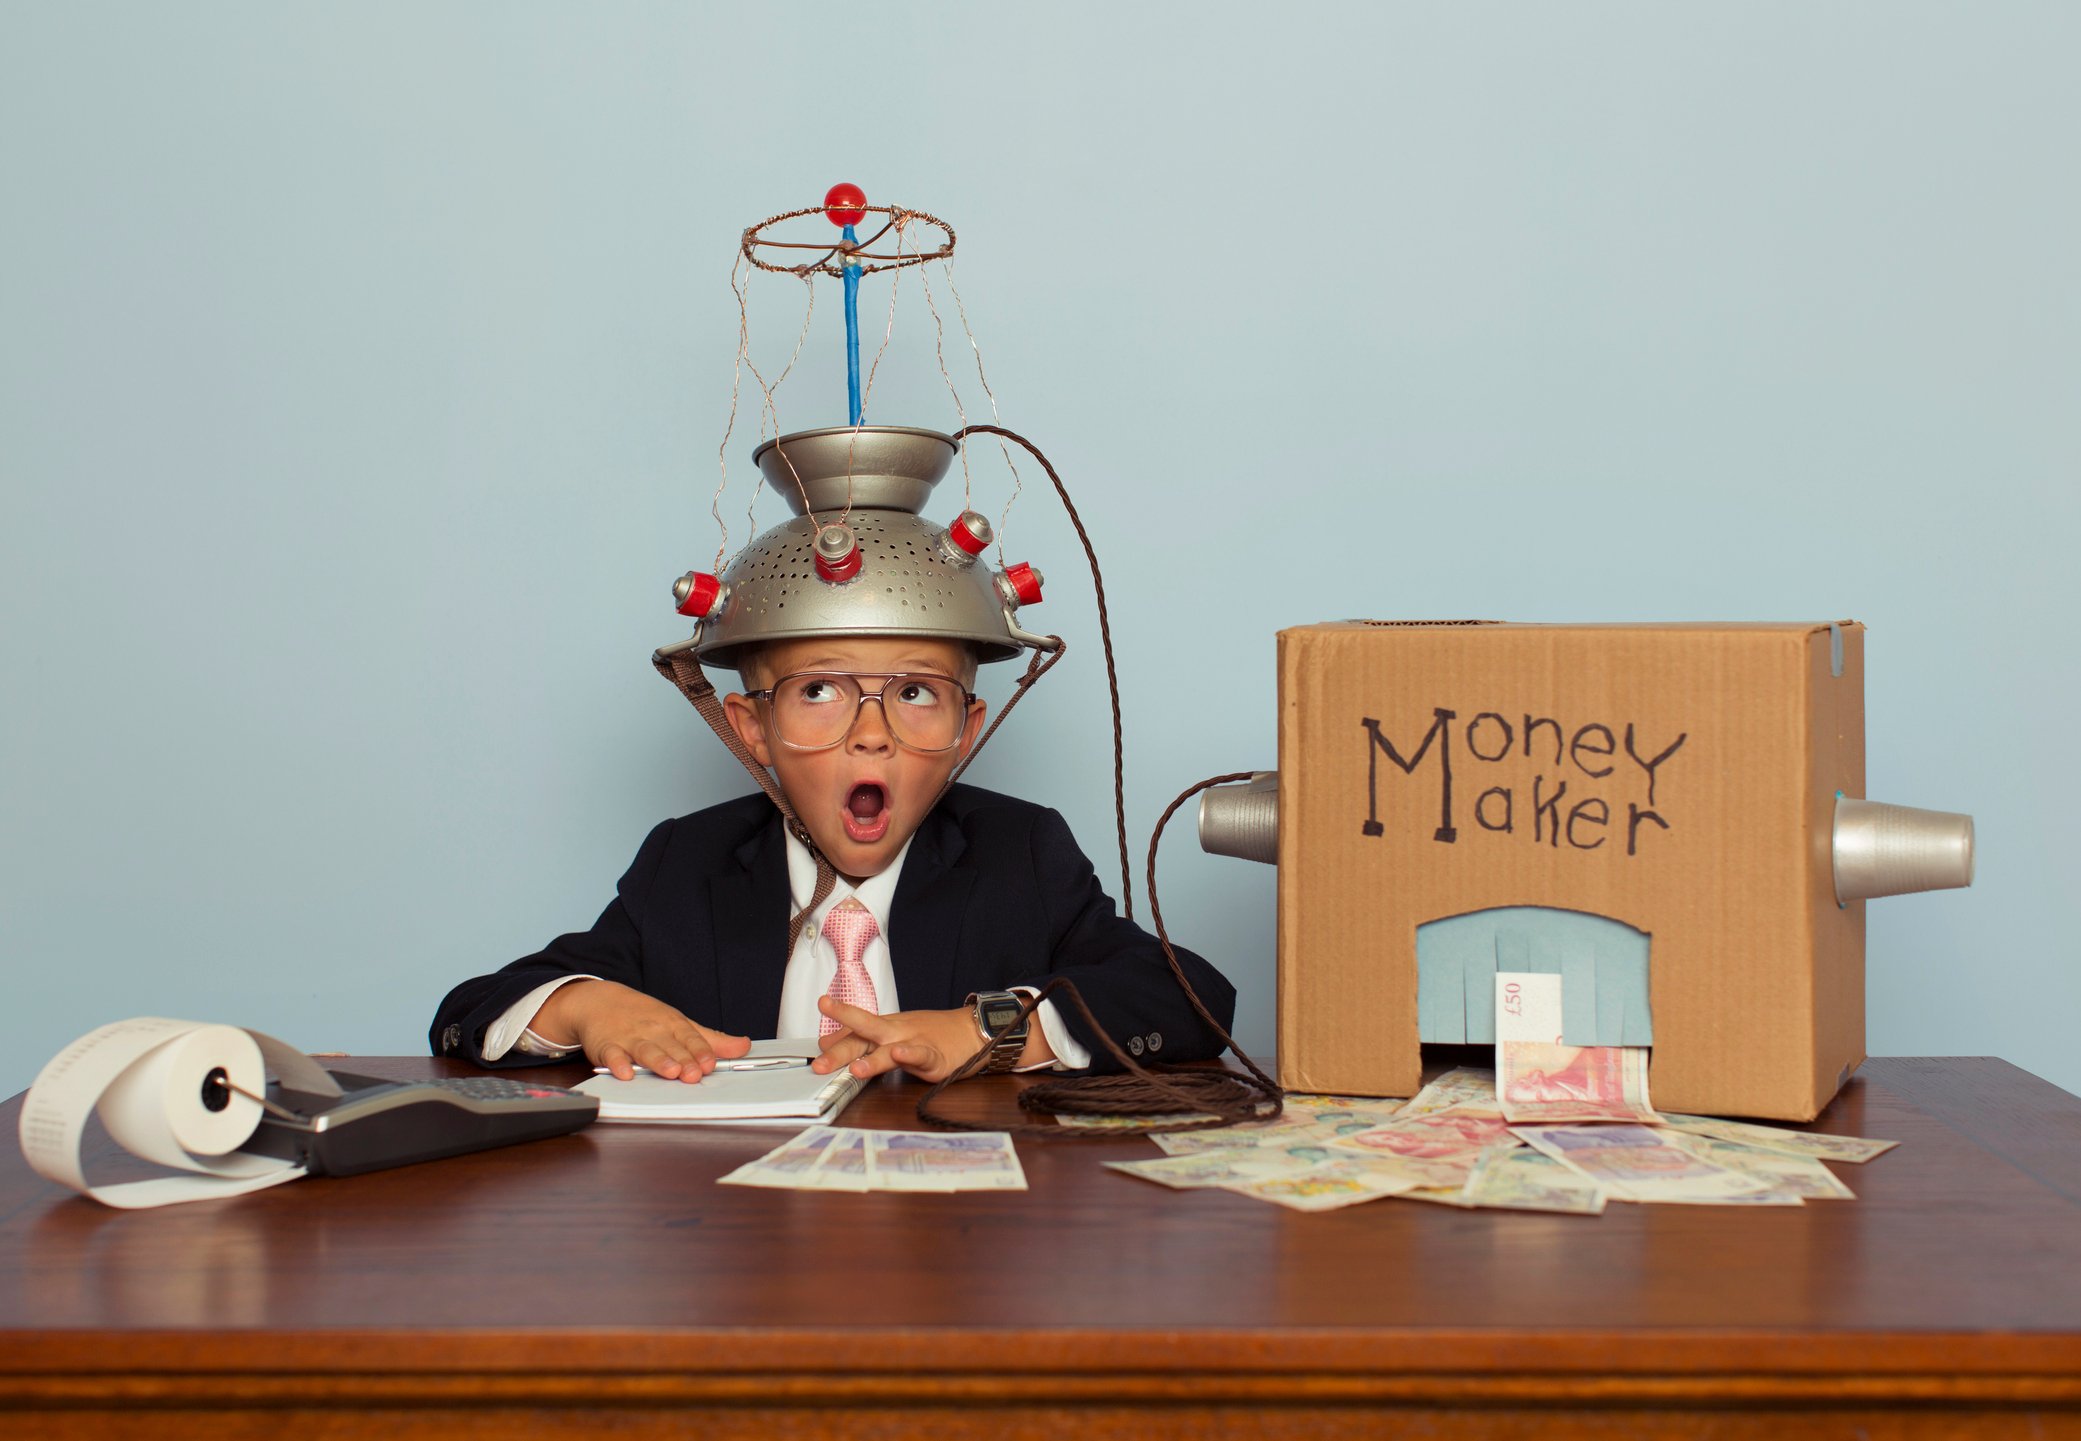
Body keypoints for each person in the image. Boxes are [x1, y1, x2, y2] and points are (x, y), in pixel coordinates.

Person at [429, 425, 1236, 1088]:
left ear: (969, 726)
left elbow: (1191, 995)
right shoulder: (687, 863)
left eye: (917, 692)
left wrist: (985, 1030)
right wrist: (587, 1007)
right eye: (820, 691)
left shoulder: (1020, 854)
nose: (872, 732)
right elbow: (472, 1008)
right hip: (738, 1233)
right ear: (751, 728)